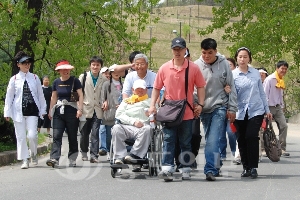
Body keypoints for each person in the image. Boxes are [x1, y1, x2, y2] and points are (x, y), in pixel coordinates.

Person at [149, 37, 206, 181]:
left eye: (180, 49)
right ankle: (167, 167)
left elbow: (200, 86)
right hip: (169, 110)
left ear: (185, 50)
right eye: (175, 49)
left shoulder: (193, 68)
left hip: (186, 111)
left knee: (185, 141)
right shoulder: (164, 68)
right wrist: (152, 106)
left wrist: (200, 104)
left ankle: (185, 167)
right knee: (168, 139)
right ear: (172, 50)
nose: (177, 52)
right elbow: (156, 88)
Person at [194, 38, 238, 181]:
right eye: (204, 53)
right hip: (203, 108)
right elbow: (193, 89)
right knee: (210, 138)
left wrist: (232, 108)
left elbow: (231, 86)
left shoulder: (224, 64)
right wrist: (195, 105)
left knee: (212, 139)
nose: (206, 56)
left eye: (210, 53)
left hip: (219, 106)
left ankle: (210, 169)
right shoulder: (196, 66)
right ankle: (216, 163)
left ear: (216, 52)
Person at [232, 47, 272, 179]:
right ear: (236, 58)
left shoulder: (255, 73)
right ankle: (246, 167)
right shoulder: (233, 75)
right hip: (239, 111)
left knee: (251, 136)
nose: (242, 59)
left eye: (245, 56)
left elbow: (261, 92)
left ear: (249, 58)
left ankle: (254, 167)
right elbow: (231, 95)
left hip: (256, 110)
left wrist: (267, 110)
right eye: (240, 57)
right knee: (241, 139)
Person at [4, 51, 47, 169]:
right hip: (18, 112)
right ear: (18, 64)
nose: (27, 65)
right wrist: (7, 112)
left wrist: (43, 109)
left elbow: (40, 95)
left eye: (28, 63)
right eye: (24, 63)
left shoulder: (34, 77)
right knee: (21, 137)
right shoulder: (14, 79)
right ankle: (25, 159)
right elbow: (9, 97)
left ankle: (33, 153)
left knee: (32, 135)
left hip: (32, 111)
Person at [46, 60, 83, 168]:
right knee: (57, 135)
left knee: (72, 136)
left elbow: (80, 95)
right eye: (63, 70)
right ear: (59, 71)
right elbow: (53, 97)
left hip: (72, 110)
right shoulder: (56, 82)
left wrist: (80, 109)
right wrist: (50, 110)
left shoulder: (75, 81)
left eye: (67, 69)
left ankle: (72, 159)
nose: (66, 71)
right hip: (59, 111)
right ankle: (54, 158)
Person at [112, 79, 152, 168]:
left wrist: (150, 114)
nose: (140, 91)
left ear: (146, 90)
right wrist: (133, 121)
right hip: (127, 126)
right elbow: (118, 114)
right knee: (116, 128)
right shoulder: (126, 101)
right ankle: (120, 157)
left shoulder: (150, 102)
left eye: (142, 89)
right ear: (133, 90)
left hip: (143, 127)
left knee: (148, 129)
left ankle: (134, 155)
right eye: (138, 89)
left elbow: (155, 114)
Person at [78, 56, 107, 163]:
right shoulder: (83, 77)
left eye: (97, 65)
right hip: (85, 108)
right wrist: (79, 108)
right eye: (93, 65)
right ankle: (84, 152)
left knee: (95, 133)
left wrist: (105, 101)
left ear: (100, 66)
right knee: (84, 133)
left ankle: (94, 155)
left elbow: (106, 94)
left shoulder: (103, 79)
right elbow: (78, 93)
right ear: (90, 66)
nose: (95, 67)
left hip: (98, 109)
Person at [263, 61, 289, 156]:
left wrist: (282, 106)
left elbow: (280, 95)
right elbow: (264, 94)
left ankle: (281, 148)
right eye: (282, 68)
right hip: (268, 107)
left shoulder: (281, 80)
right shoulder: (270, 79)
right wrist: (266, 109)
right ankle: (264, 149)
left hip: (277, 107)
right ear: (277, 68)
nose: (284, 70)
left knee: (284, 126)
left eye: (285, 69)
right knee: (265, 128)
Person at [100, 65, 123, 161]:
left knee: (119, 135)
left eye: (118, 72)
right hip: (110, 112)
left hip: (121, 113)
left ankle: (118, 153)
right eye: (113, 72)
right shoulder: (106, 84)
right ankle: (110, 151)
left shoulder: (124, 84)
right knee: (109, 135)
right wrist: (104, 102)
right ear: (111, 73)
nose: (116, 74)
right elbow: (102, 97)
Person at [219, 58, 237, 161]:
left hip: (231, 109)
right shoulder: (220, 77)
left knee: (231, 132)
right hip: (221, 108)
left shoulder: (235, 78)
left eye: (230, 65)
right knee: (221, 134)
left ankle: (234, 151)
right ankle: (222, 154)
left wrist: (230, 92)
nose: (227, 67)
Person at [99, 66, 111, 156]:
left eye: (108, 73)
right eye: (105, 73)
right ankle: (103, 148)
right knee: (102, 128)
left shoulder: (112, 84)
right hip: (100, 109)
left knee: (109, 130)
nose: (107, 75)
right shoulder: (98, 84)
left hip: (110, 110)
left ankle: (108, 146)